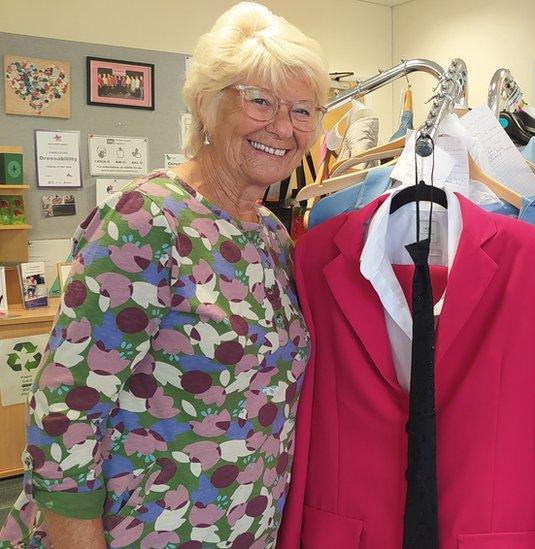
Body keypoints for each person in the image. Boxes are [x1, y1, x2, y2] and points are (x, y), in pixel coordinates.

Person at [0, 3, 328, 547]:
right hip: (134, 530)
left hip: (236, 526)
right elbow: (66, 412)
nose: (283, 127)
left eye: (303, 110)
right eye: (260, 101)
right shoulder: (145, 220)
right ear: (205, 102)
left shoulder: (271, 233)